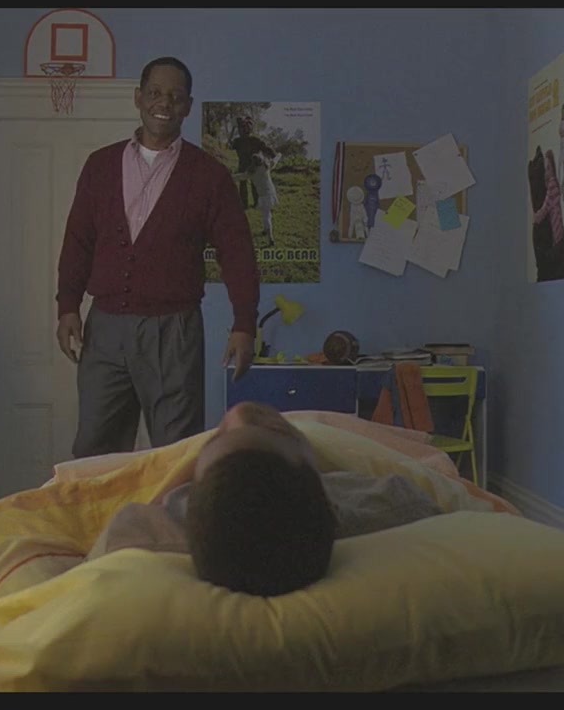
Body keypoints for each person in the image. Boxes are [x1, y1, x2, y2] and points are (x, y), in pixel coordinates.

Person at [55, 57, 261, 459]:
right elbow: (78, 240)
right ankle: (105, 506)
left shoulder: (209, 176)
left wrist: (244, 324)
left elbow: (237, 254)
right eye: (154, 93)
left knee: (176, 452)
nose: (163, 103)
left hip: (173, 332)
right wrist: (67, 306)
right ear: (138, 97)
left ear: (187, 106)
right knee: (95, 449)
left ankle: (173, 505)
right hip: (105, 329)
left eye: (175, 96)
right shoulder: (100, 166)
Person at [84, 402, 444, 597]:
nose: (239, 414)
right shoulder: (394, 503)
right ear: (325, 495)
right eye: (277, 432)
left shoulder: (138, 533)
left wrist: (190, 462)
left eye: (216, 440)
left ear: (189, 499)